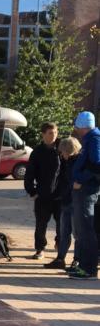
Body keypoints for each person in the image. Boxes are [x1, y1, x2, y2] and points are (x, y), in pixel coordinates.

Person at [24, 122, 62, 260]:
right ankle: (40, 249)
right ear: (43, 134)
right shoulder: (37, 152)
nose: (54, 135)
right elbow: (29, 174)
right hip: (42, 195)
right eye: (50, 133)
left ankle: (60, 246)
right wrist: (32, 192)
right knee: (41, 224)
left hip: (60, 195)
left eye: (56, 132)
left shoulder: (62, 148)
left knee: (62, 224)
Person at [69, 111, 100, 279]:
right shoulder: (91, 138)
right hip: (86, 189)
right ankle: (84, 265)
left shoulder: (94, 139)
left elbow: (96, 165)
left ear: (83, 127)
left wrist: (81, 179)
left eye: (77, 127)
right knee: (84, 230)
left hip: (86, 190)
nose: (76, 131)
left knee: (85, 229)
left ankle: (89, 268)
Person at [44, 137, 81, 271]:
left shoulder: (78, 162)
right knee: (64, 232)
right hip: (66, 200)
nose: (61, 154)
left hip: (75, 202)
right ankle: (60, 259)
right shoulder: (66, 162)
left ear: (69, 151)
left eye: (63, 152)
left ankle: (77, 260)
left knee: (77, 234)